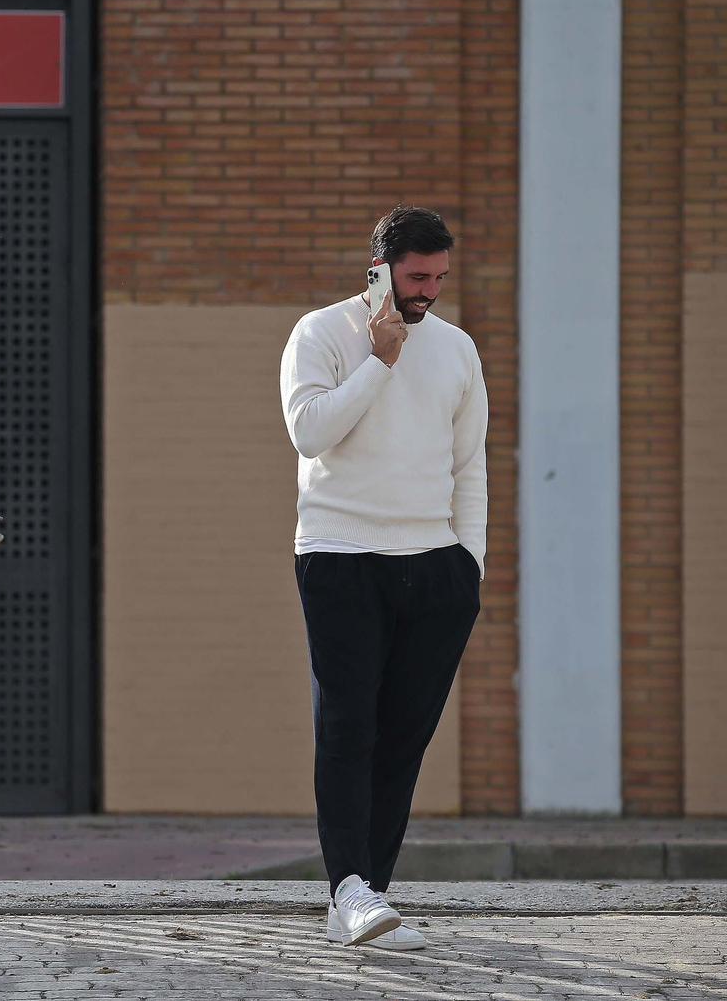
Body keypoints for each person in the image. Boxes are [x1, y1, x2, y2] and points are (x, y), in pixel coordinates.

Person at [279, 205, 487, 950]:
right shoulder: (321, 333)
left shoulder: (458, 349)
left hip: (435, 569)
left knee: (404, 738)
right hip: (339, 557)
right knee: (347, 728)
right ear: (379, 268)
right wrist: (380, 359)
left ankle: (368, 894)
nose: (428, 291)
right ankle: (349, 889)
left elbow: (470, 465)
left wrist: (470, 562)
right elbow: (309, 431)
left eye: (438, 277)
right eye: (415, 276)